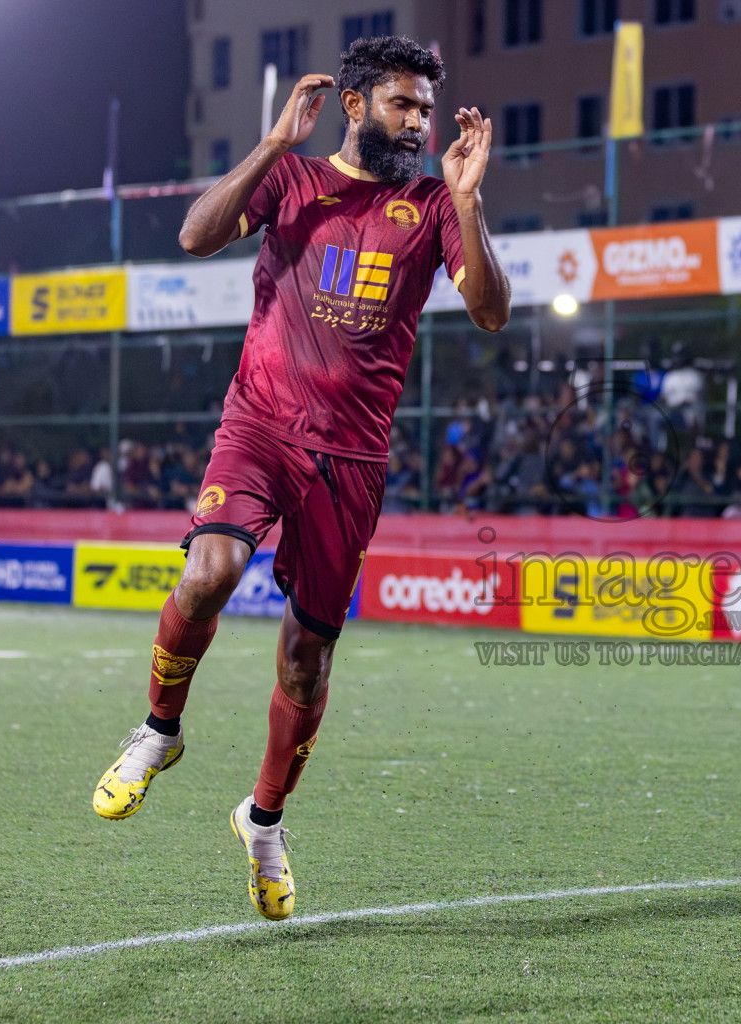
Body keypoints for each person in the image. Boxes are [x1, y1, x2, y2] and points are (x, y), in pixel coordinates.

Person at [90, 36, 510, 922]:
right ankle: (159, 733)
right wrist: (273, 145)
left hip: (352, 460)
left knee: (307, 658)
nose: (420, 122)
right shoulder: (292, 183)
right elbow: (196, 235)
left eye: (427, 110)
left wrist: (470, 203)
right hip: (260, 425)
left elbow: (489, 311)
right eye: (403, 105)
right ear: (354, 106)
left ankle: (264, 821)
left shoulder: (435, 204)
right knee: (208, 573)